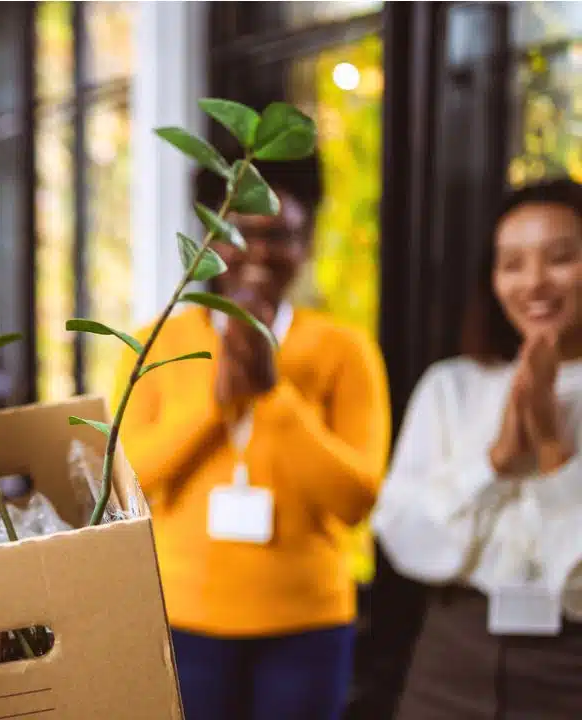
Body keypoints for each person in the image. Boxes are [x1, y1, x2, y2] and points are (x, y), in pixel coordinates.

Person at [113, 153, 391, 720]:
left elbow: (356, 498)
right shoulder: (155, 341)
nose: (260, 252)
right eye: (240, 233)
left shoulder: (344, 350)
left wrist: (272, 392)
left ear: (307, 245)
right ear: (209, 242)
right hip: (178, 617)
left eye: (281, 235)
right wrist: (217, 401)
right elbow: (128, 483)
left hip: (307, 625)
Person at [374, 178, 582, 718]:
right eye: (512, 264)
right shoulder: (453, 386)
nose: (534, 282)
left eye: (560, 258)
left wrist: (556, 457)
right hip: (453, 653)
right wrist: (494, 466)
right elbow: (402, 535)